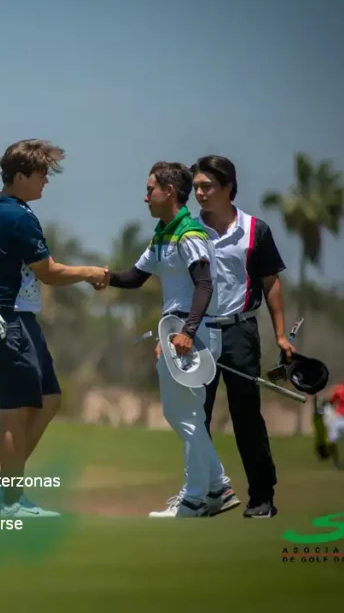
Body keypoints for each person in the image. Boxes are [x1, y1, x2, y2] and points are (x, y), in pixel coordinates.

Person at [0, 139, 108, 519]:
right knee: (14, 412)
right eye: (41, 174)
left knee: (49, 399)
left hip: (18, 320)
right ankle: (11, 502)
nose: (46, 181)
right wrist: (91, 272)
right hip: (8, 320)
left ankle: (4, 484)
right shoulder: (18, 216)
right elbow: (49, 272)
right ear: (20, 176)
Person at [95, 161, 235, 518]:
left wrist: (187, 332)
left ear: (169, 191)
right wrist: (100, 275)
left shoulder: (189, 233)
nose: (145, 197)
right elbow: (135, 277)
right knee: (181, 412)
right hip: (177, 333)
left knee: (185, 414)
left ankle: (195, 498)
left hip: (192, 333)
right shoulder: (163, 234)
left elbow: (204, 285)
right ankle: (217, 487)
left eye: (150, 190)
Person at [189, 155, 294, 518]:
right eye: (196, 187)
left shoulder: (256, 230)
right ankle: (203, 493)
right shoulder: (188, 230)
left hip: (240, 331)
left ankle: (262, 498)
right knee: (195, 417)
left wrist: (280, 335)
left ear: (228, 186)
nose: (199, 193)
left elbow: (271, 283)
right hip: (198, 333)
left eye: (207, 186)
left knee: (246, 416)